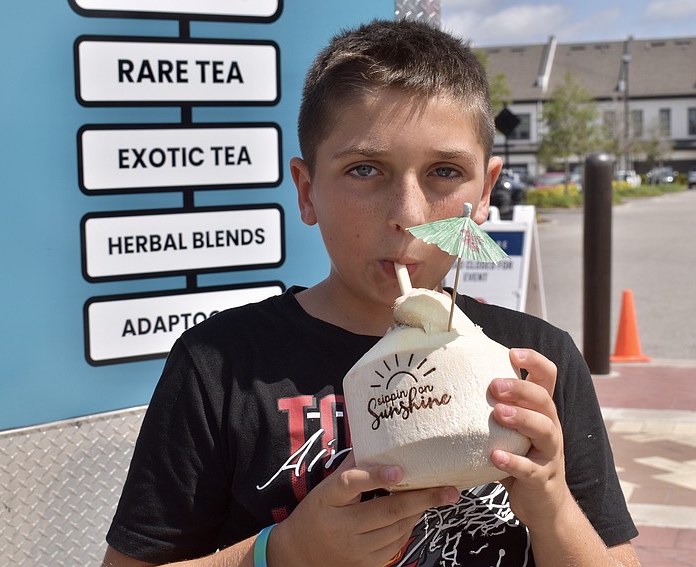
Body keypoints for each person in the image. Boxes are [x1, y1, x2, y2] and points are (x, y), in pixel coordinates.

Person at [102, 18, 640, 567]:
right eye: (365, 169)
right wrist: (281, 553)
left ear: (484, 195)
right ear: (308, 192)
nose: (406, 216)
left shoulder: (534, 361)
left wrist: (551, 505)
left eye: (445, 172)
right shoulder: (221, 368)